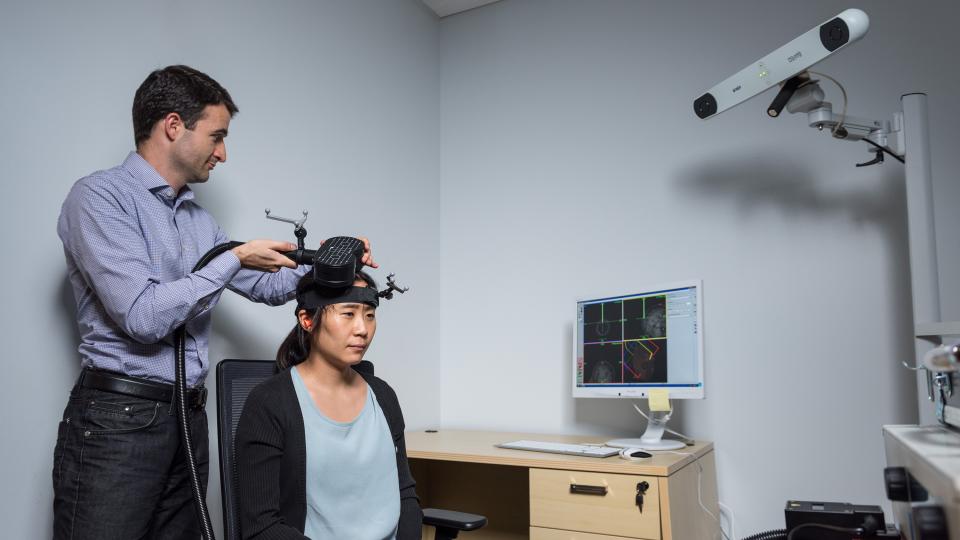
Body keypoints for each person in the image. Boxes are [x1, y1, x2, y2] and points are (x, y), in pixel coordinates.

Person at [52, 65, 375, 539]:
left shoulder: (198, 221)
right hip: (118, 423)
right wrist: (232, 259)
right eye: (217, 136)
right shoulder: (100, 198)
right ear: (173, 125)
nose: (223, 153)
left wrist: (332, 266)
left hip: (186, 418)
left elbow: (266, 287)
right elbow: (142, 316)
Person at [235, 272, 421, 540]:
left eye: (369, 315)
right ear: (307, 320)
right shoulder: (270, 403)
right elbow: (262, 527)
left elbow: (405, 494)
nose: (362, 329)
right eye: (348, 313)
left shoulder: (383, 395)